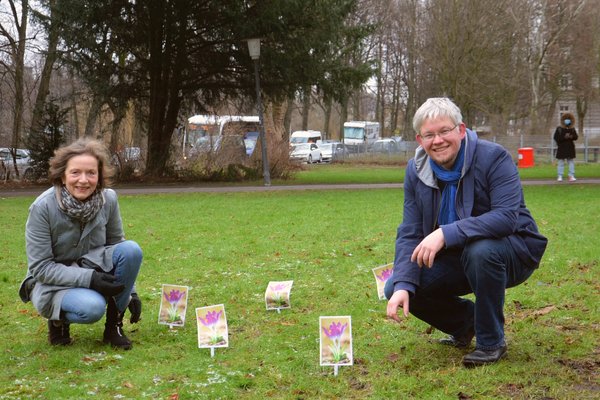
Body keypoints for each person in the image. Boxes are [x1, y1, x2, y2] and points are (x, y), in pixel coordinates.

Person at [385, 98, 547, 367]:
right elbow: (410, 231)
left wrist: (446, 233)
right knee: (399, 285)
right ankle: (465, 322)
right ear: (419, 139)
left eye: (444, 131)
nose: (438, 140)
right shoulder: (416, 171)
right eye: (429, 135)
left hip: (512, 251)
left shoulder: (494, 157)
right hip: (458, 258)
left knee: (480, 249)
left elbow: (507, 217)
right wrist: (403, 284)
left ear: (461, 130)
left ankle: (491, 342)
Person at [19, 138, 143, 349]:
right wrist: (91, 279)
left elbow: (118, 248)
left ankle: (114, 326)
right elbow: (41, 268)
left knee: (131, 250)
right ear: (62, 175)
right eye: (75, 172)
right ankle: (58, 320)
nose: (83, 180)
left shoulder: (109, 199)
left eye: (91, 173)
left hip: (93, 269)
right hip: (52, 282)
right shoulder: (42, 208)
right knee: (92, 308)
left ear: (99, 176)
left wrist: (131, 291)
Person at [553, 112, 578, 182]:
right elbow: (556, 138)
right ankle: (560, 176)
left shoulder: (572, 129)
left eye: (569, 119)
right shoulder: (559, 129)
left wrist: (571, 136)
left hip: (570, 148)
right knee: (560, 162)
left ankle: (571, 175)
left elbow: (576, 137)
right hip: (561, 148)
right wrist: (564, 137)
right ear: (563, 120)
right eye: (566, 119)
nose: (567, 120)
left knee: (571, 162)